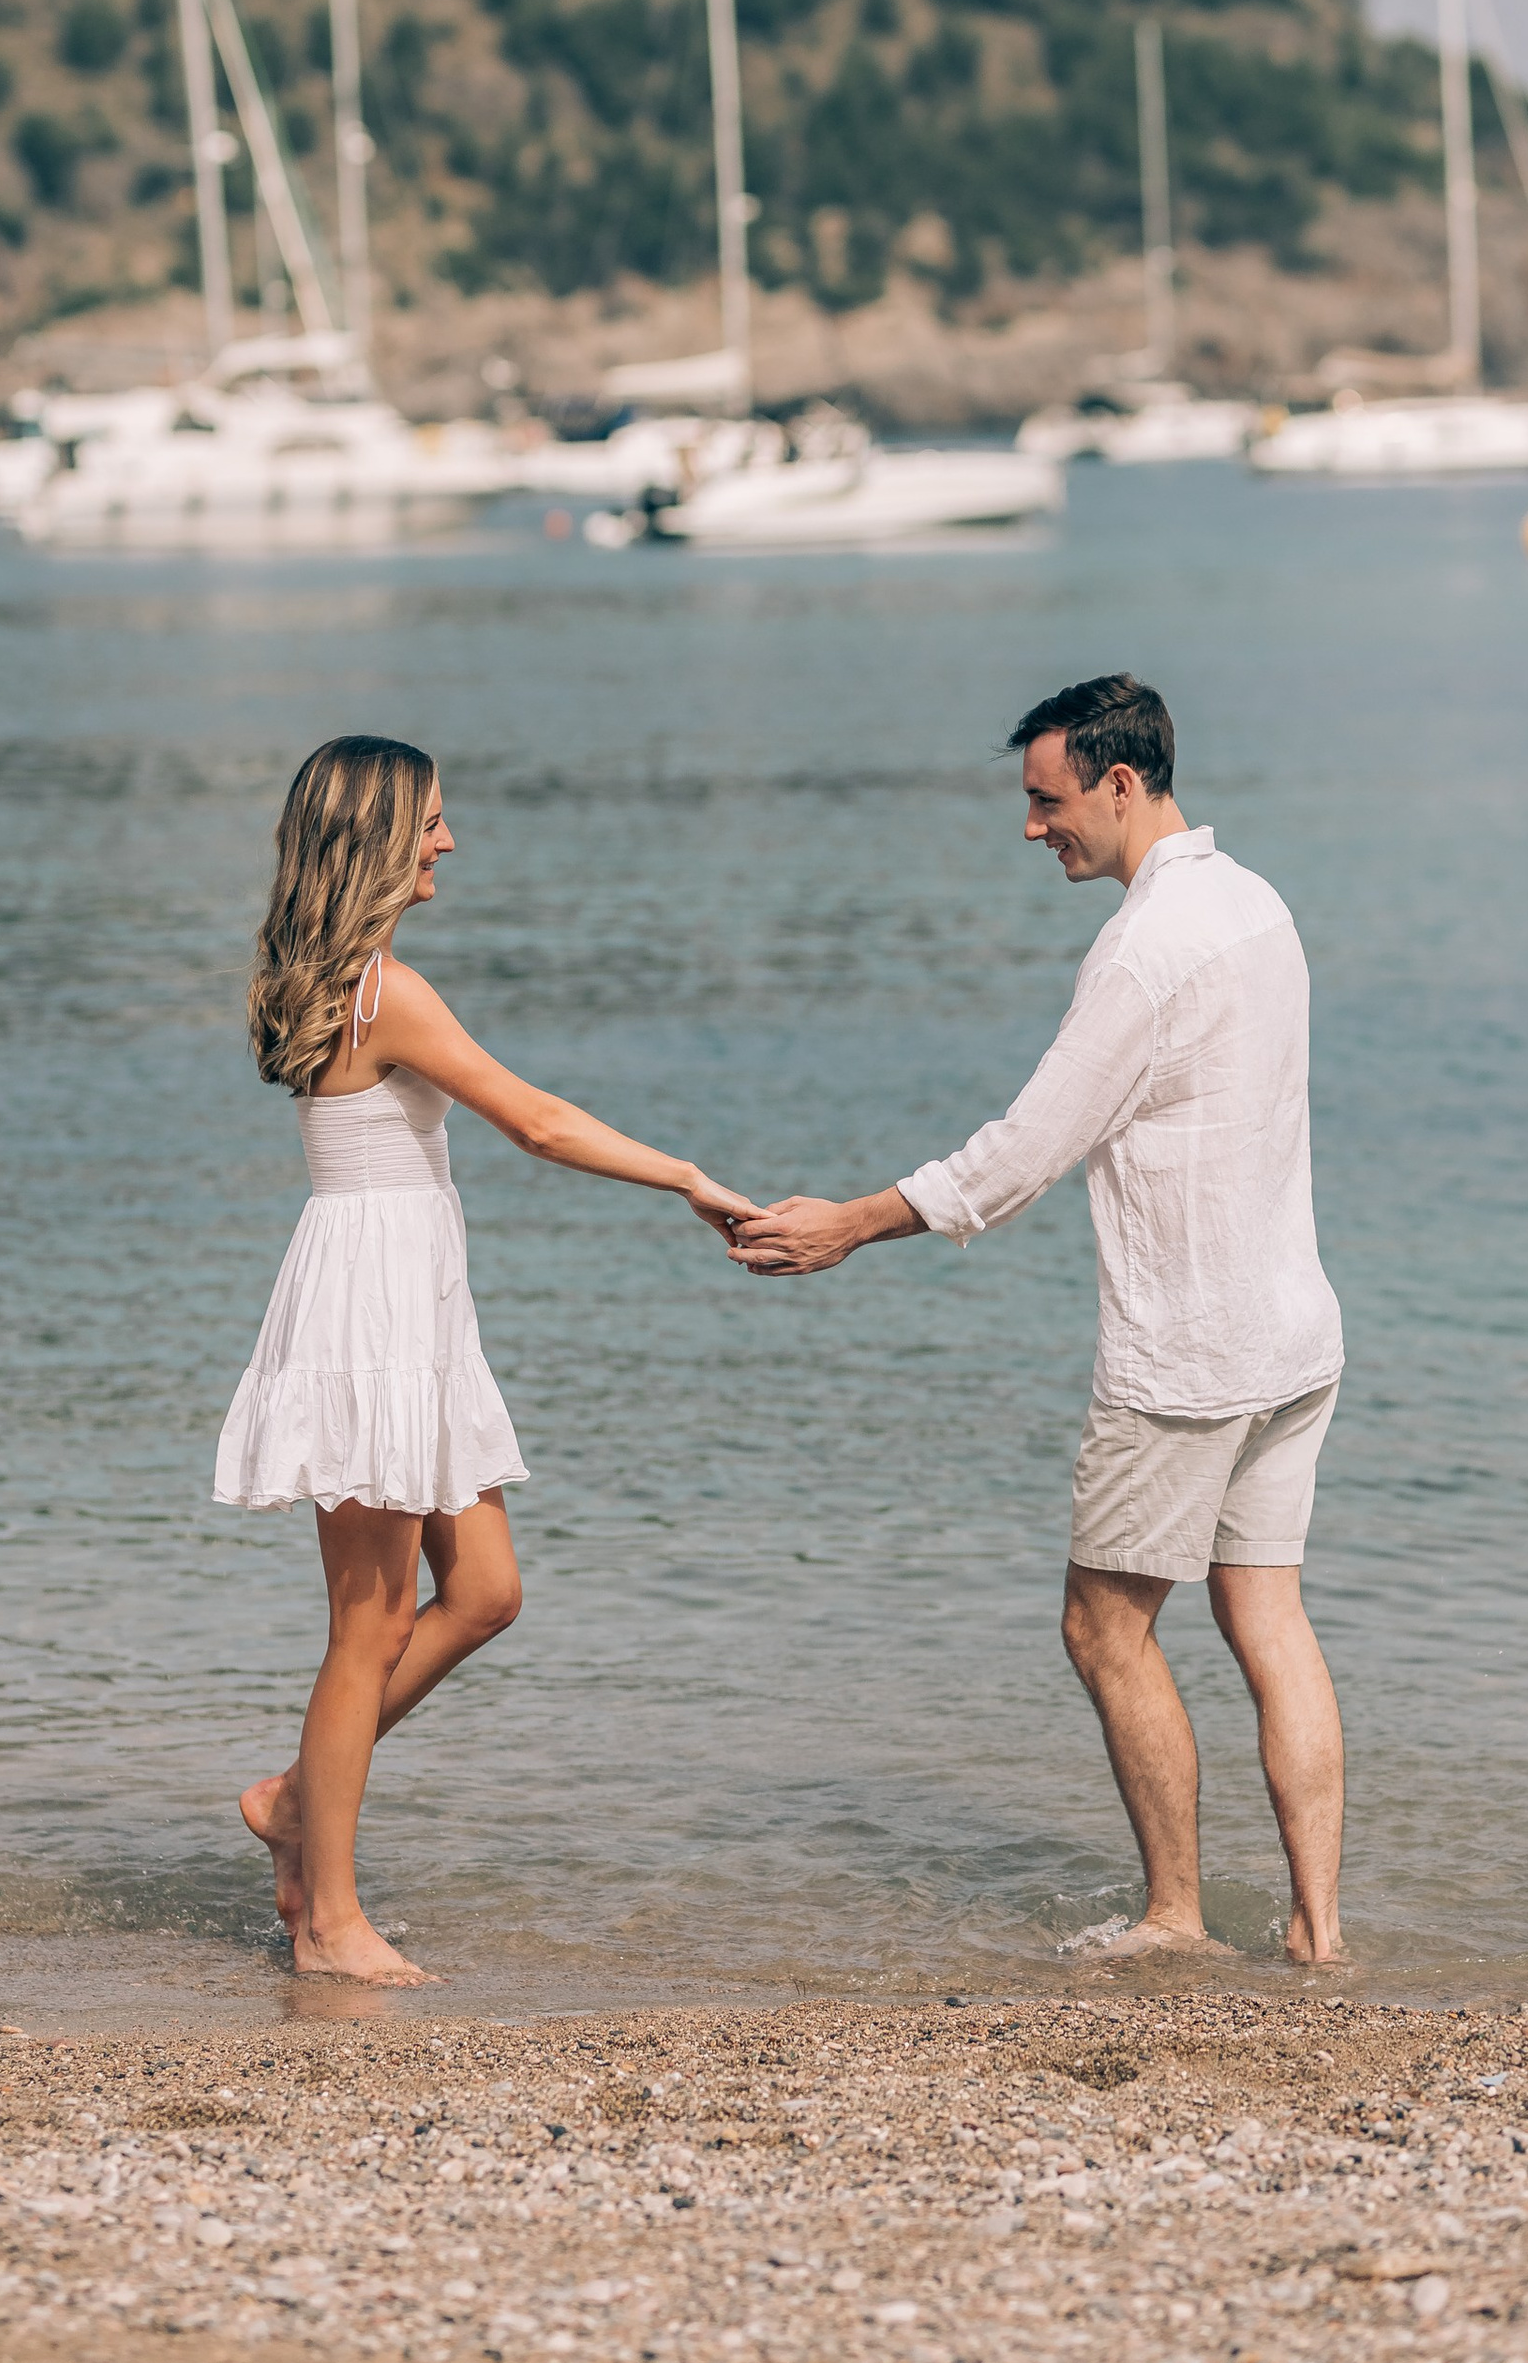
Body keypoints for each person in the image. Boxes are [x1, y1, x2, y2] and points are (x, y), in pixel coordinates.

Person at [729, 672, 1347, 1966]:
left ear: (1120, 783)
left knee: (1103, 1626)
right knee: (1269, 1620)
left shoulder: (1143, 948)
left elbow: (1021, 1154)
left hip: (1189, 1355)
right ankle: (1318, 1933)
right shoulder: (1259, 902)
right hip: (1293, 1335)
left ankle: (1174, 1919)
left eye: (1045, 800)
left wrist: (849, 1223)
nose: (1030, 827)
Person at [220, 732, 750, 1984]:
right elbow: (538, 1122)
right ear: (373, 839)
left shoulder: (347, 982)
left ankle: (296, 1799)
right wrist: (685, 1176)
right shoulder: (384, 992)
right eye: (429, 824)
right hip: (371, 1321)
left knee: (487, 1592)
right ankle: (330, 1923)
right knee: (365, 1627)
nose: (448, 842)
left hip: (408, 1307)